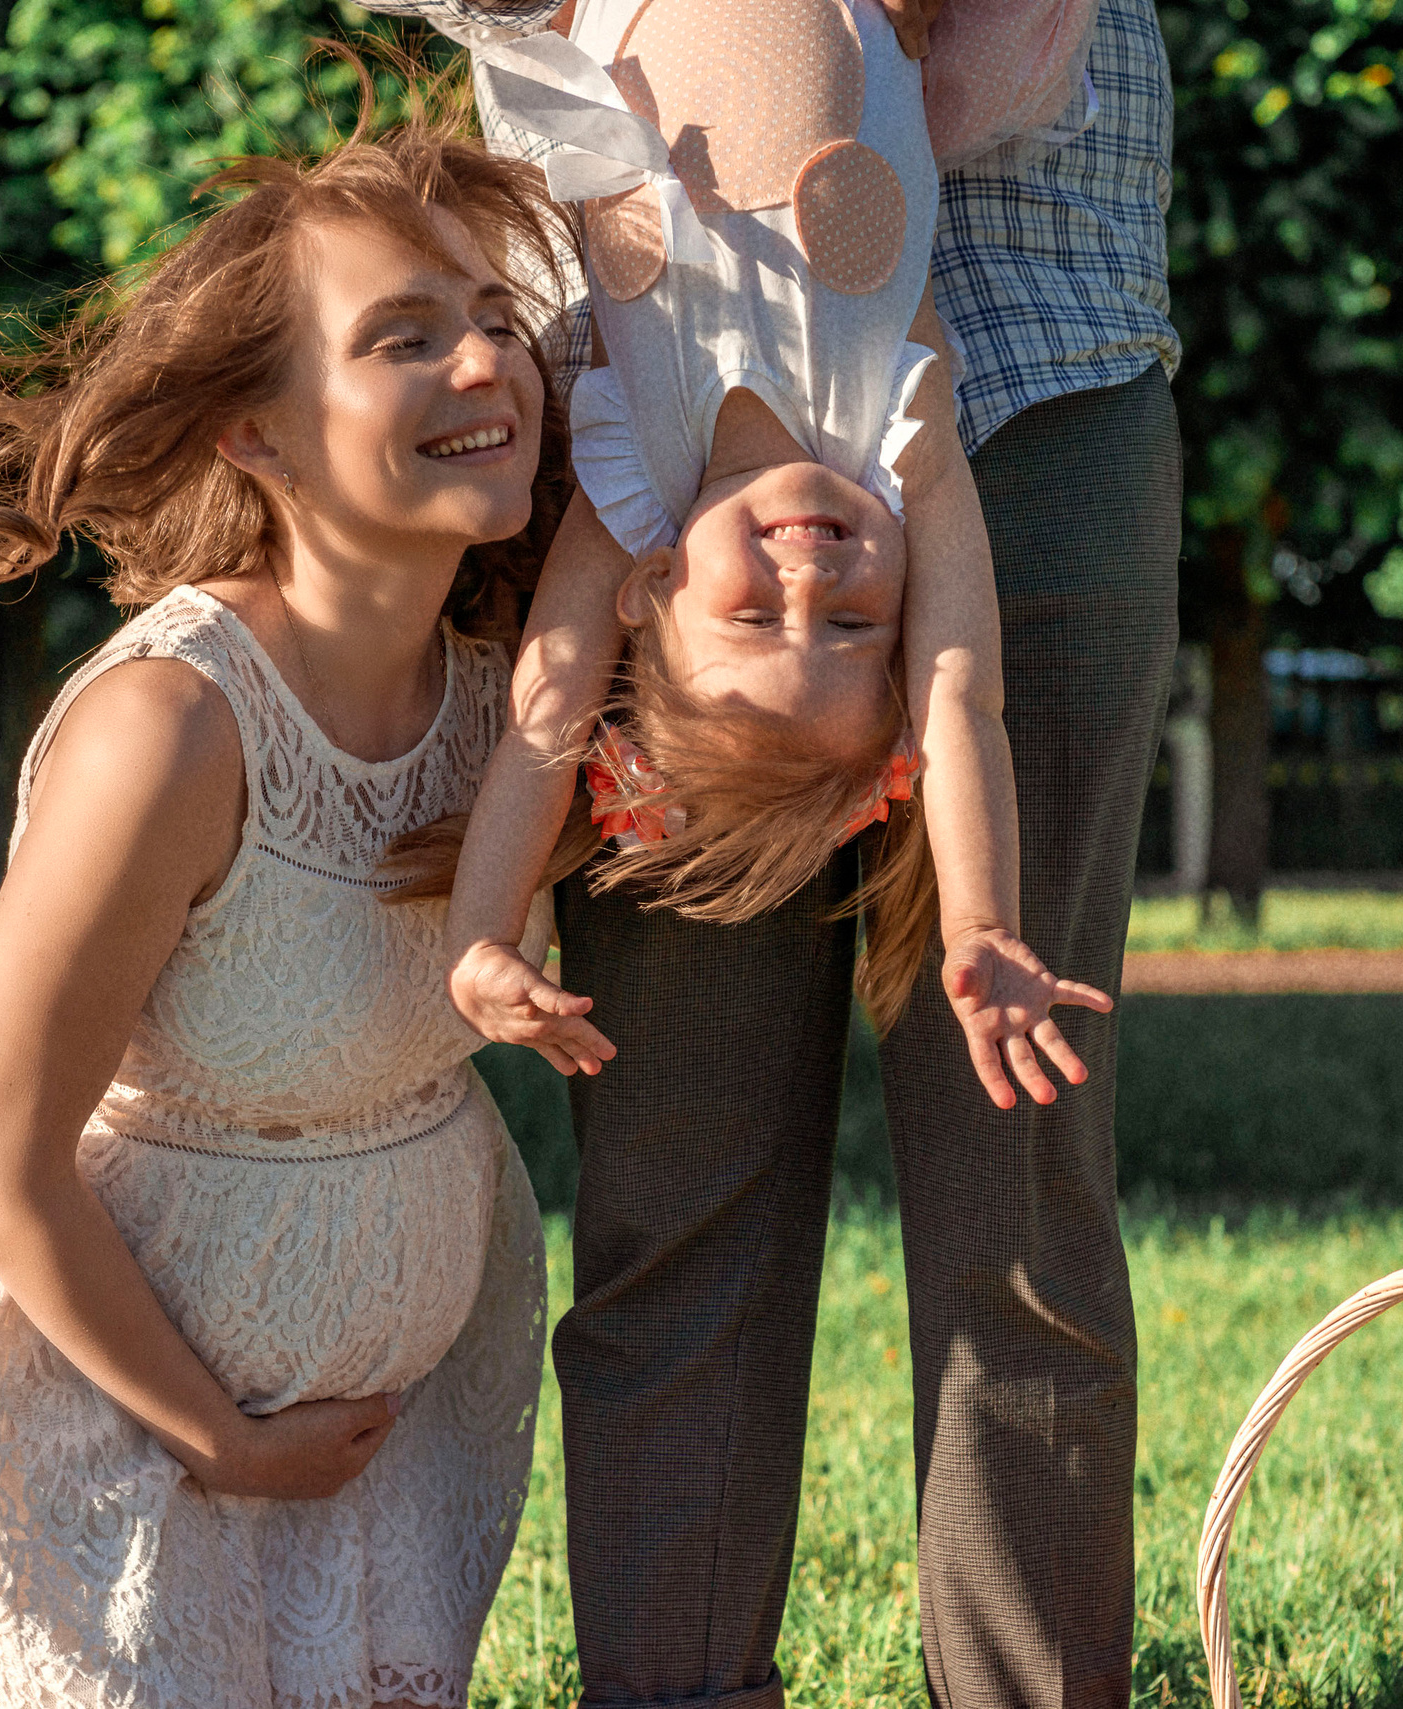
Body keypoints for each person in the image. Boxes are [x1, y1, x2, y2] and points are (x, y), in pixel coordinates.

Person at [392, 0, 1183, 1701]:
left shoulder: (797, 493)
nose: (825, 583)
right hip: (638, 382)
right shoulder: (665, 536)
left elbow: (948, 698)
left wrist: (976, 917)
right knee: (678, 1199)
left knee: (1018, 1205)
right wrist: (485, 922)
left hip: (1045, 344)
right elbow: (554, 710)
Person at [0, 105, 571, 1709]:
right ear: (255, 433)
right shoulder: (175, 730)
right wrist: (225, 1441)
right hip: (92, 1479)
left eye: (498, 322)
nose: (487, 366)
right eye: (405, 338)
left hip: (352, 1487)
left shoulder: (515, 706)